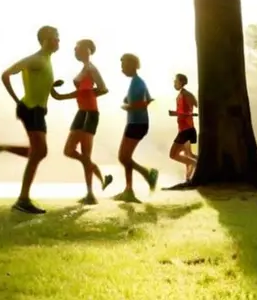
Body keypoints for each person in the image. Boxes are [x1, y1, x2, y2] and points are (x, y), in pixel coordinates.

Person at [0, 25, 59, 215]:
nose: (58, 41)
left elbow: (38, 83)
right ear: (46, 39)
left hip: (38, 111)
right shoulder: (36, 59)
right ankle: (23, 199)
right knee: (39, 152)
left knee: (39, 152)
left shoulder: (46, 59)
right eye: (56, 37)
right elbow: (6, 74)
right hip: (30, 109)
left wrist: (52, 85)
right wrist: (16, 100)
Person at [49, 39, 113, 204]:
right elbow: (83, 93)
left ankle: (91, 194)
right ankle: (100, 180)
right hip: (82, 112)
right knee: (69, 150)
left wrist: (83, 95)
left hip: (90, 113)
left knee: (84, 154)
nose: (74, 50)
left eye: (77, 48)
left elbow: (103, 88)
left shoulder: (91, 68)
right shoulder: (84, 69)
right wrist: (60, 96)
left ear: (87, 49)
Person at [113, 53, 159, 203]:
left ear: (132, 65)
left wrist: (128, 106)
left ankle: (148, 174)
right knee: (126, 157)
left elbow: (144, 103)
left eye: (123, 65)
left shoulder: (138, 83)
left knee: (123, 157)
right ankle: (128, 190)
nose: (122, 68)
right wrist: (129, 101)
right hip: (135, 123)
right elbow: (148, 98)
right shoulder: (136, 82)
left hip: (137, 124)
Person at [168, 73, 198, 182]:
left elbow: (190, 110)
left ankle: (197, 164)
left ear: (181, 82)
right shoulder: (180, 96)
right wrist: (176, 113)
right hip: (185, 129)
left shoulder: (186, 95)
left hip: (186, 130)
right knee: (188, 155)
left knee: (173, 154)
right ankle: (188, 179)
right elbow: (185, 111)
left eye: (175, 81)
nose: (174, 83)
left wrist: (175, 113)